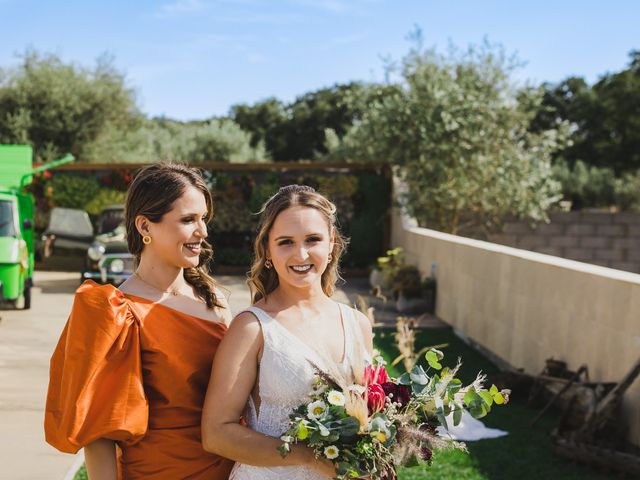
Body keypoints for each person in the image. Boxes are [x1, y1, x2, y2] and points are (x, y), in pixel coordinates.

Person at [45, 163, 235, 479]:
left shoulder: (214, 298)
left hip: (228, 469)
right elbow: (98, 432)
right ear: (145, 227)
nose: (202, 231)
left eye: (204, 219)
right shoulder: (111, 310)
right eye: (188, 220)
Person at [201, 185, 374, 479]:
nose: (301, 253)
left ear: (331, 242)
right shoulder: (252, 327)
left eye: (313, 239)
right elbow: (216, 433)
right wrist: (311, 457)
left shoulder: (358, 325)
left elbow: (370, 416)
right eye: (286, 242)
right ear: (267, 249)